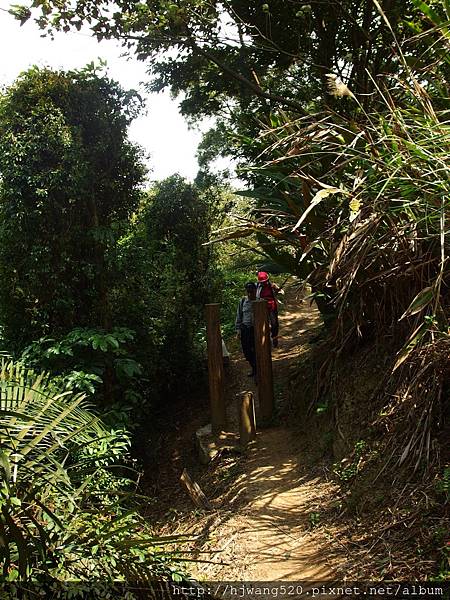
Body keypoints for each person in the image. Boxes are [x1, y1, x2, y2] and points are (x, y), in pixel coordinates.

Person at [235, 282, 257, 377]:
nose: (250, 294)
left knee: (256, 351)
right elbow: (239, 316)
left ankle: (257, 371)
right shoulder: (243, 301)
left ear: (255, 291)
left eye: (251, 292)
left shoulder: (260, 301)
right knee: (247, 352)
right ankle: (254, 367)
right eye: (248, 292)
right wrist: (238, 330)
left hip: (256, 330)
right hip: (245, 330)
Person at [256, 271, 280, 347]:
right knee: (263, 324)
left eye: (265, 281)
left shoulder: (271, 286)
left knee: (274, 323)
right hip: (261, 307)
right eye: (262, 282)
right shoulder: (257, 287)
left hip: (272, 307)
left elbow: (281, 292)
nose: (263, 283)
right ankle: (264, 341)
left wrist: (276, 290)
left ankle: (274, 337)